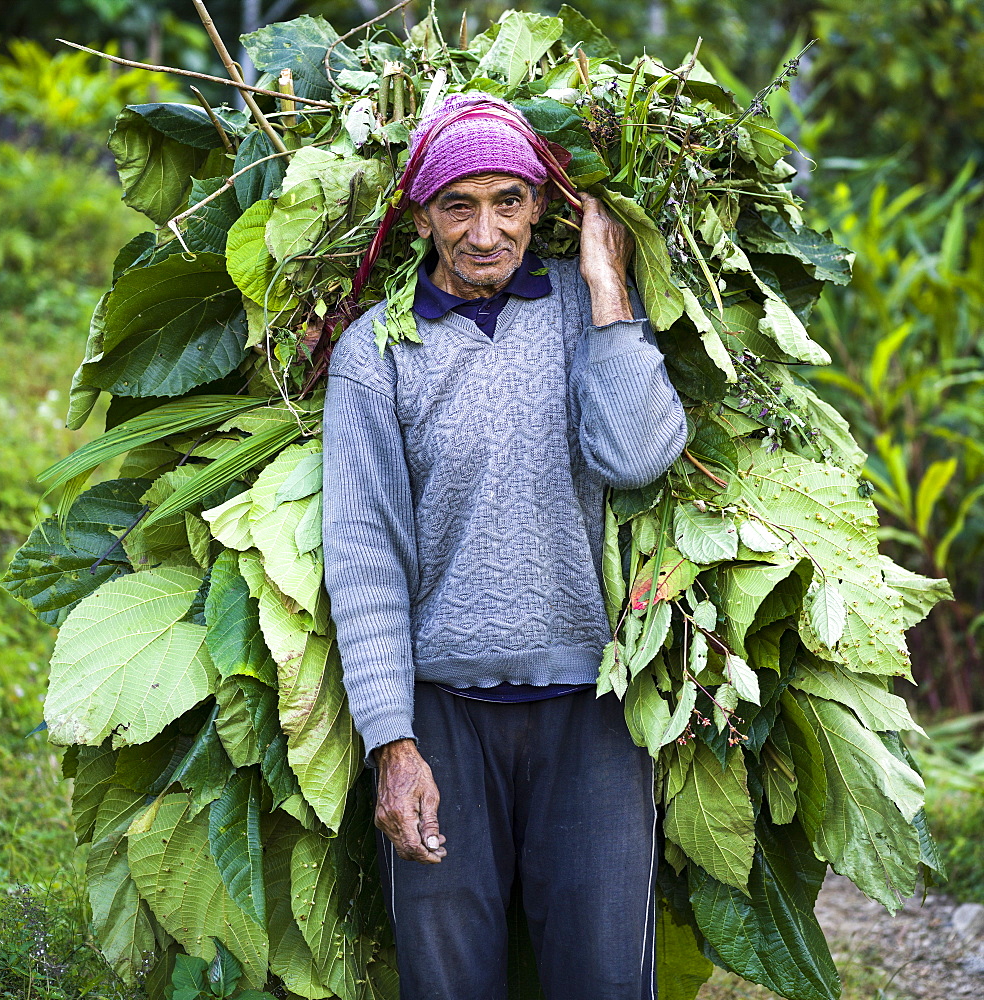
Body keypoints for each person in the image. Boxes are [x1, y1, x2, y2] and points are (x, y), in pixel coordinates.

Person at [322, 92, 688, 1000]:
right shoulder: (380, 352)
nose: (486, 233)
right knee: (449, 986)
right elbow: (363, 554)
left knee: (606, 981)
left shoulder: (580, 312)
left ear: (540, 206)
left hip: (594, 711)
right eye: (459, 205)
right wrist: (391, 744)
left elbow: (638, 456)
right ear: (422, 215)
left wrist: (608, 285)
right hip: (441, 717)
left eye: (508, 202)